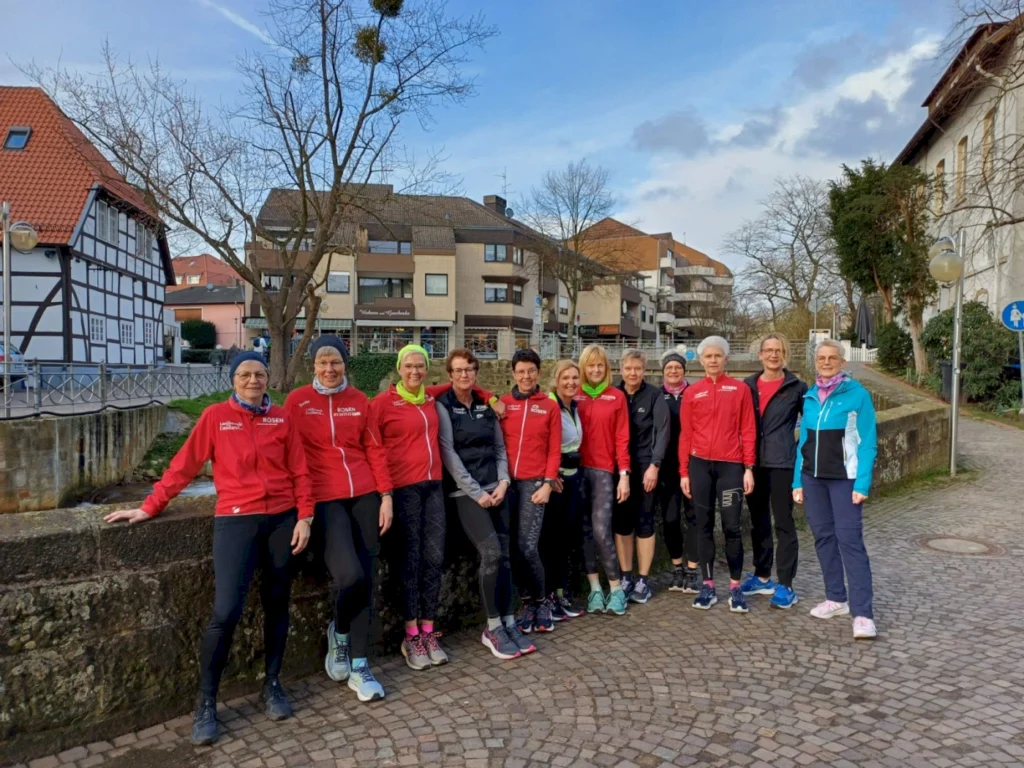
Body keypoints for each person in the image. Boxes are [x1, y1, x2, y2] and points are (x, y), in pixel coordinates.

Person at [104, 352, 313, 746]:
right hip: (236, 518)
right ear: (233, 379)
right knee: (225, 610)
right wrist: (150, 506)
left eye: (260, 374)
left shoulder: (282, 417)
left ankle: (272, 684)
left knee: (277, 603)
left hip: (283, 519)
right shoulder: (216, 416)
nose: (253, 380)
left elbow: (300, 470)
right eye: (245, 374)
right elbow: (184, 465)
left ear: (268, 378)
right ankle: (207, 702)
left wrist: (305, 516)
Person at [284, 336, 392, 702]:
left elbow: (375, 450)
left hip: (364, 493)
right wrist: (303, 509)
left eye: (336, 362)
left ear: (346, 364)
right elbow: (290, 456)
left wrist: (386, 496)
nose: (329, 369)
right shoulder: (298, 402)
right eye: (322, 362)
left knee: (368, 579)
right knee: (350, 575)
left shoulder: (359, 401)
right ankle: (339, 632)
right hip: (325, 498)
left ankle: (359, 665)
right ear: (312, 366)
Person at [434, 348, 532, 660]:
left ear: (476, 374)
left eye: (469, 370)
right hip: (467, 495)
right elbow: (448, 453)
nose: (464, 375)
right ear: (450, 374)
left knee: (506, 555)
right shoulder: (443, 405)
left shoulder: (485, 404)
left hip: (498, 489)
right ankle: (492, 627)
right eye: (459, 370)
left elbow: (500, 447)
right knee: (490, 554)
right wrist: (476, 492)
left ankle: (509, 620)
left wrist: (504, 482)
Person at [368, 344, 450, 671]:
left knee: (434, 558)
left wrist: (490, 396)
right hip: (403, 490)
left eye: (421, 366)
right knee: (411, 560)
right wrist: (383, 492)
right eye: (409, 366)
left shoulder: (430, 397)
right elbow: (371, 447)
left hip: (434, 487)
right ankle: (411, 634)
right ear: (399, 368)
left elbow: (460, 384)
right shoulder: (382, 404)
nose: (415, 371)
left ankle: (429, 631)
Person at [793, 339, 878, 639]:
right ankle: (836, 598)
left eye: (832, 358)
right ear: (815, 362)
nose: (826, 362)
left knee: (850, 542)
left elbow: (868, 442)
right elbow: (803, 442)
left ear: (842, 362)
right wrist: (797, 481)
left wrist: (862, 482)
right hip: (813, 480)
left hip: (845, 480)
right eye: (821, 358)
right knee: (823, 539)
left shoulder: (858, 395)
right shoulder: (810, 396)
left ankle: (863, 613)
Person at [679, 336, 756, 613]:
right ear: (700, 361)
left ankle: (735, 587)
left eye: (717, 356)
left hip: (730, 466)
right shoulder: (692, 392)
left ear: (726, 359)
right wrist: (683, 472)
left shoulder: (739, 389)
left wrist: (749, 468)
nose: (713, 360)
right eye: (708, 356)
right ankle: (708, 585)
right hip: (699, 465)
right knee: (703, 525)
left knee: (732, 526)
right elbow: (686, 434)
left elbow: (748, 429)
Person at [741, 334, 807, 609]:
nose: (772, 355)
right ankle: (762, 575)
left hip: (782, 462)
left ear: (784, 354)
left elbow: (812, 424)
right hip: (753, 462)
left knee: (783, 522)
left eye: (778, 350)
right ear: (760, 355)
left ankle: (786, 584)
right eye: (768, 350)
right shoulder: (748, 386)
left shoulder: (797, 387)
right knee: (758, 522)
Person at [499, 349, 562, 635]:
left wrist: (548, 483)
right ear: (513, 373)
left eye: (531, 371)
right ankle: (526, 602)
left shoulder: (549, 406)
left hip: (535, 484)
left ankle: (542, 601)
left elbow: (554, 448)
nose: (526, 376)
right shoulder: (503, 403)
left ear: (539, 373)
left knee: (527, 546)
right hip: (506, 483)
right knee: (511, 548)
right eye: (521, 371)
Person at [575, 344, 631, 616]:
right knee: (584, 532)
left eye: (600, 365)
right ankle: (595, 588)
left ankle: (617, 589)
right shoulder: (574, 395)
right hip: (577, 472)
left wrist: (624, 475)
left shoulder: (616, 396)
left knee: (601, 530)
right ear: (583, 368)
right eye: (590, 365)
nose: (596, 370)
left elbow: (622, 438)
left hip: (604, 472)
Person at [613, 350, 670, 604]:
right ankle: (625, 576)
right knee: (622, 524)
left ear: (644, 370)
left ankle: (643, 580)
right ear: (621, 369)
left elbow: (663, 432)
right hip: (619, 469)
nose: (632, 373)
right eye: (628, 369)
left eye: (637, 368)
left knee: (645, 523)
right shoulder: (614, 395)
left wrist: (655, 466)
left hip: (646, 466)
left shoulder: (655, 396)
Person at [541, 359, 589, 620]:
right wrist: (551, 474)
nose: (571, 382)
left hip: (573, 480)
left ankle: (561, 593)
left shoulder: (574, 406)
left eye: (574, 378)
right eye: (566, 378)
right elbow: (539, 444)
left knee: (567, 539)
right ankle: (549, 596)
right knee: (552, 541)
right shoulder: (550, 406)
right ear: (556, 380)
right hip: (555, 482)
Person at [658, 346, 700, 594]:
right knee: (670, 519)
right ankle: (677, 568)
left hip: (693, 465)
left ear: (684, 370)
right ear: (663, 372)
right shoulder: (656, 395)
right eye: (669, 368)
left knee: (694, 517)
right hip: (666, 468)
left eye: (678, 367)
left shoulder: (693, 393)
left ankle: (693, 569)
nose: (673, 371)